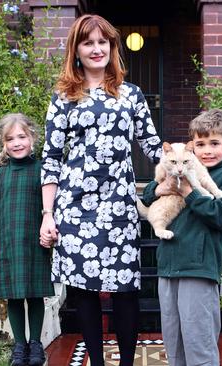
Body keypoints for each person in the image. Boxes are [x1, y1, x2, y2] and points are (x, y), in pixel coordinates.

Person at [39, 14, 162, 366]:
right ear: (76, 50)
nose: (96, 49)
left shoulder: (131, 94)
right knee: (84, 292)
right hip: (75, 209)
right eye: (88, 42)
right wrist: (48, 215)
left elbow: (154, 148)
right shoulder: (63, 97)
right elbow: (50, 158)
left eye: (102, 42)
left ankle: (125, 363)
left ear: (112, 47)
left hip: (120, 206)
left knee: (125, 291)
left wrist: (189, 163)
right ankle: (95, 360)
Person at [141, 108, 222, 365]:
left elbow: (221, 215)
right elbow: (148, 196)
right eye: (200, 144)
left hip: (199, 268)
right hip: (168, 265)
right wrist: (159, 188)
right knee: (174, 346)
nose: (207, 150)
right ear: (191, 148)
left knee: (199, 346)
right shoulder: (180, 167)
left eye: (215, 143)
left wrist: (189, 192)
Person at [0, 113, 53, 366]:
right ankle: (20, 345)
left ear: (32, 139)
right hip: (9, 244)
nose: (17, 143)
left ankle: (36, 344)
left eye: (22, 137)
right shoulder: (0, 176)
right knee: (14, 296)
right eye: (10, 139)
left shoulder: (42, 171)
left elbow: (53, 207)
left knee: (34, 293)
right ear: (3, 144)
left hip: (35, 244)